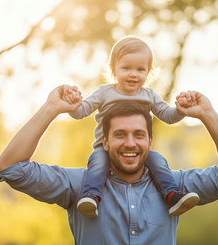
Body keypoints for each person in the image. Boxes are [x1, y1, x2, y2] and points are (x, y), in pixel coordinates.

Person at [0, 85, 218, 245]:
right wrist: (51, 108)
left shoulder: (176, 188)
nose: (130, 143)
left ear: (150, 141)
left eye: (138, 135)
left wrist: (207, 114)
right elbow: (10, 167)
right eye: (120, 134)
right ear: (104, 142)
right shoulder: (77, 187)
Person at [64, 36, 199, 218]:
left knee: (158, 161)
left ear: (148, 72)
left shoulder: (149, 95)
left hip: (137, 151)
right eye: (126, 68)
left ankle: (172, 195)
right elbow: (82, 111)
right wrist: (72, 105)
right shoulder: (105, 92)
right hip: (105, 149)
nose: (133, 74)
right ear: (114, 69)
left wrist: (181, 111)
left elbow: (167, 116)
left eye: (140, 69)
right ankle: (91, 197)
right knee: (97, 163)